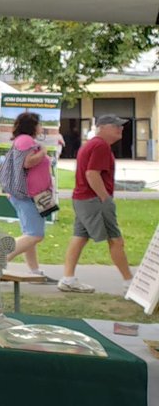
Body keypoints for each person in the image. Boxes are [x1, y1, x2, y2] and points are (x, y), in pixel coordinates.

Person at [59, 115, 134, 294]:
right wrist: (105, 198)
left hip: (82, 198)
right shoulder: (100, 145)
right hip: (94, 200)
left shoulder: (92, 144)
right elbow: (92, 174)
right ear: (102, 127)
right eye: (116, 125)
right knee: (116, 240)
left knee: (80, 237)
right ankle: (129, 282)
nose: (120, 129)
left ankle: (68, 278)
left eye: (121, 126)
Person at [2, 112, 56, 280]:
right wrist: (43, 152)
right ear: (32, 126)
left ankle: (34, 271)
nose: (41, 127)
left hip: (34, 195)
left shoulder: (24, 141)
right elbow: (27, 162)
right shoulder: (26, 140)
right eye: (39, 124)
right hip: (29, 194)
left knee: (29, 233)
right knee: (35, 234)